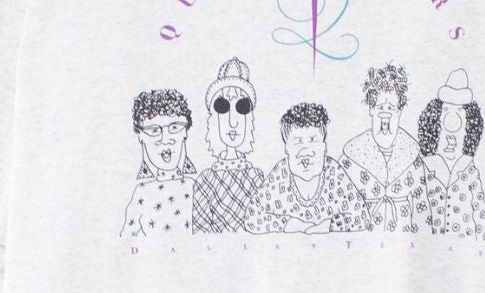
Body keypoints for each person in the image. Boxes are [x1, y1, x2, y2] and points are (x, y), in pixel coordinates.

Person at [243, 101, 370, 234]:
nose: (305, 151)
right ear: (287, 148)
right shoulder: (281, 173)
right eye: (298, 142)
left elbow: (363, 217)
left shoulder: (333, 171)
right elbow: (252, 218)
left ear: (324, 147)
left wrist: (329, 225)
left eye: (312, 140)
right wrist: (290, 224)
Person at [340, 61, 435, 233]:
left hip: (402, 240)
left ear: (399, 111)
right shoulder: (350, 158)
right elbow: (341, 207)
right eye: (380, 107)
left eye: (391, 107)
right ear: (371, 109)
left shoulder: (413, 157)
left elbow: (422, 211)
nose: (385, 113)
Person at [419, 68, 485, 243]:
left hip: (466, 248)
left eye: (459, 111)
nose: (452, 120)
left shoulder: (469, 171)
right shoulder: (423, 169)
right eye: (446, 110)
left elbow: (480, 213)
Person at [191, 56, 265, 233]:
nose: (233, 121)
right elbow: (200, 234)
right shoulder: (205, 181)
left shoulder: (257, 178)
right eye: (223, 107)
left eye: (242, 108)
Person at [120, 87, 197, 238]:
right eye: (154, 130)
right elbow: (127, 240)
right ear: (141, 137)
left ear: (185, 132)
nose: (165, 139)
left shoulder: (196, 188)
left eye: (174, 127)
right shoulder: (142, 193)